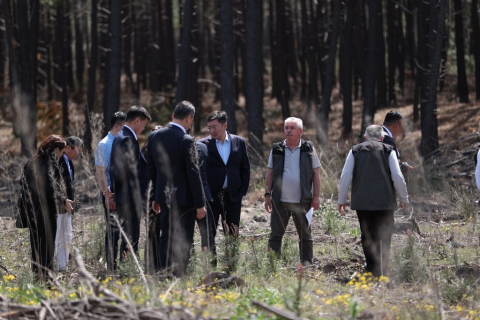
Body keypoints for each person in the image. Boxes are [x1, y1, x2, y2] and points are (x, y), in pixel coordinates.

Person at [338, 125, 409, 277]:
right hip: (385, 202)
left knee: (367, 234)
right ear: (382, 138)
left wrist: (341, 200)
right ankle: (382, 270)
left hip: (362, 203)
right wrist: (404, 197)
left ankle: (371, 269)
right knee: (384, 235)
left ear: (365, 137)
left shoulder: (355, 150)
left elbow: (345, 177)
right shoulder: (388, 150)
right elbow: (397, 175)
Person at [146, 101, 206, 277]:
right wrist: (200, 203)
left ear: (173, 116)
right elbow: (193, 173)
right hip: (184, 200)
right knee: (184, 238)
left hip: (163, 198)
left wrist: (154, 197)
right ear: (189, 118)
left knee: (166, 236)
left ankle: (164, 272)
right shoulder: (186, 140)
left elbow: (152, 170)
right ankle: (179, 274)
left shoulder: (154, 136)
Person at [264, 117, 321, 267]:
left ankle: (307, 264)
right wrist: (267, 195)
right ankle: (273, 265)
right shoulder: (277, 149)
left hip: (303, 201)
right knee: (276, 235)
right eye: (286, 127)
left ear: (300, 132)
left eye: (292, 128)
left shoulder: (309, 148)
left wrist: (316, 196)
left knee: (305, 236)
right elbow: (269, 174)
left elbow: (316, 174)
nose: (288, 130)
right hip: (279, 201)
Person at [20, 135, 74, 279]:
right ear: (56, 150)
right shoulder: (51, 164)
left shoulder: (31, 162)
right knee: (48, 245)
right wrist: (64, 200)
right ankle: (47, 279)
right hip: (46, 211)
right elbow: (50, 188)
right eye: (62, 152)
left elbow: (23, 186)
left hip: (31, 210)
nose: (62, 155)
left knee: (36, 245)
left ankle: (38, 276)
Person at [198, 111, 250, 257]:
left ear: (225, 125)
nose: (212, 131)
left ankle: (231, 264)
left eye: (215, 127)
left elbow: (245, 168)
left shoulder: (239, 142)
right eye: (209, 128)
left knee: (233, 233)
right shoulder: (203, 144)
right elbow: (200, 172)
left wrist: (242, 191)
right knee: (208, 234)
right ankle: (210, 267)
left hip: (232, 196)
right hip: (211, 197)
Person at [109, 106, 151, 261]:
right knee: (130, 237)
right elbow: (122, 171)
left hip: (124, 196)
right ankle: (129, 272)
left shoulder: (121, 136)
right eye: (144, 124)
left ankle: (128, 269)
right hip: (129, 198)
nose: (143, 128)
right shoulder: (127, 138)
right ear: (137, 120)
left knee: (129, 236)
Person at [95, 111, 127, 271]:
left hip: (121, 194)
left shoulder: (120, 142)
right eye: (124, 127)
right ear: (117, 126)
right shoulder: (105, 144)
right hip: (111, 196)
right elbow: (101, 172)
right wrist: (108, 196)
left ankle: (124, 264)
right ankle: (111, 266)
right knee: (113, 231)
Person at [55, 136, 83, 271]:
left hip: (67, 206)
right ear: (67, 148)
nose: (77, 153)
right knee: (57, 238)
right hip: (58, 206)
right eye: (76, 150)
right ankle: (54, 266)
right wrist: (62, 201)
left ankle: (63, 266)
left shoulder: (69, 162)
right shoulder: (58, 161)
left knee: (66, 237)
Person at [195, 141, 214, 252]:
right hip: (204, 195)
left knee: (206, 233)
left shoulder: (202, 147)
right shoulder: (202, 147)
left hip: (186, 198)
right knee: (207, 233)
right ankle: (210, 264)